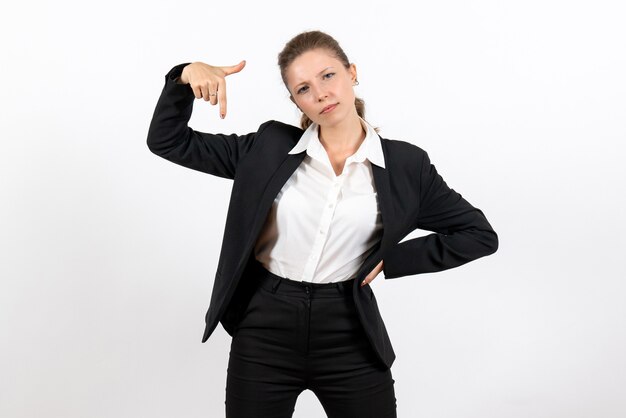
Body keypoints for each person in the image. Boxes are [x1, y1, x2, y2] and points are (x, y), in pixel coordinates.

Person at [146, 30, 498, 418]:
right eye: (303, 88)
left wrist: (394, 260)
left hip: (349, 331)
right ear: (296, 100)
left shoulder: (405, 167)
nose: (320, 93)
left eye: (328, 76)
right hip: (264, 328)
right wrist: (184, 76)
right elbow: (168, 141)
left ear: (352, 73)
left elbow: (479, 234)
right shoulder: (268, 148)